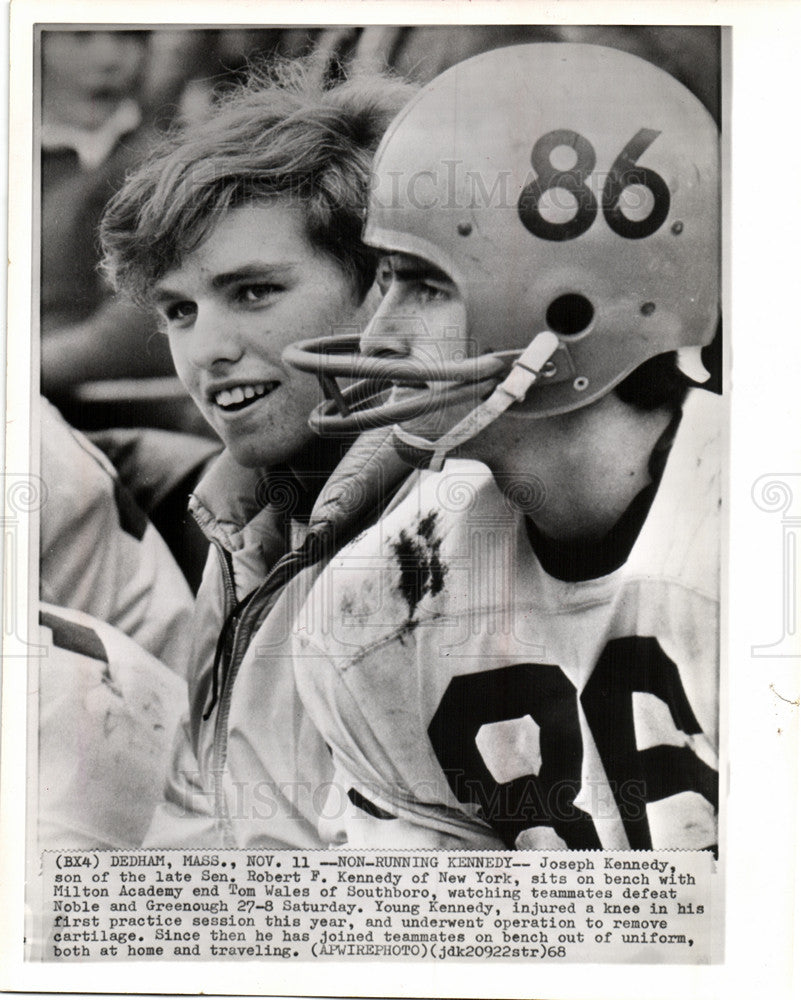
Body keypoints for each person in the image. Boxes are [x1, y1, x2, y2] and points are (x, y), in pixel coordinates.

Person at [287, 43, 722, 850]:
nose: (377, 339)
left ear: (569, 315)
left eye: (425, 285)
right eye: (385, 281)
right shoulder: (379, 602)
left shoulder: (758, 547)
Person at [99, 61, 416, 847]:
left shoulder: (443, 531)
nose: (206, 349)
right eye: (178, 311)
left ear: (387, 286)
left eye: (252, 293)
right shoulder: (242, 517)